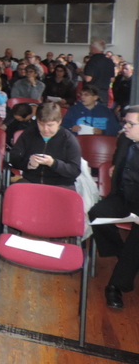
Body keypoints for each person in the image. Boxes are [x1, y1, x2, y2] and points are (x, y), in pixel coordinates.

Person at [88, 106, 139, 309]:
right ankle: (121, 254)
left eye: (131, 124)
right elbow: (119, 163)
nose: (125, 127)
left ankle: (115, 285)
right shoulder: (124, 139)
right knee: (96, 214)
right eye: (124, 122)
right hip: (123, 197)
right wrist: (115, 169)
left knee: (137, 239)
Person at [9, 102, 81, 188]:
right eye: (41, 124)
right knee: (14, 192)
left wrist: (53, 163)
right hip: (31, 181)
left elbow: (75, 170)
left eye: (50, 125)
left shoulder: (68, 139)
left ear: (59, 122)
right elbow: (14, 159)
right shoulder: (29, 134)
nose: (45, 129)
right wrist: (29, 164)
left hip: (61, 184)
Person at [84, 38, 115, 105]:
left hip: (92, 92)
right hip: (104, 93)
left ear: (93, 48)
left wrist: (80, 73)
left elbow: (88, 78)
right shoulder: (109, 61)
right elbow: (112, 79)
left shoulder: (92, 61)